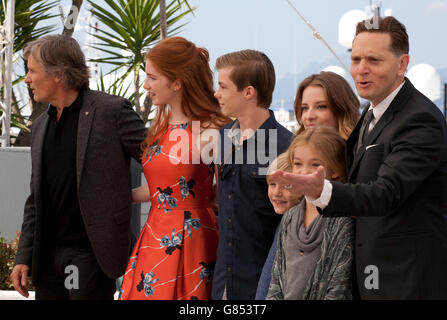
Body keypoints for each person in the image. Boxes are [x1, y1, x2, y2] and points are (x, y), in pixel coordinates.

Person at [272, 16, 447, 299]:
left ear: (402, 64)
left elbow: (385, 193)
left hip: (406, 280)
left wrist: (321, 190)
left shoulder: (420, 119)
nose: (361, 70)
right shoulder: (371, 113)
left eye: (374, 60)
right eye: (355, 60)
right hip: (371, 279)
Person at [10, 35, 147, 300]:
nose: (27, 79)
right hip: (47, 257)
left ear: (58, 74)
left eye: (32, 71)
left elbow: (160, 162)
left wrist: (127, 196)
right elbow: (35, 200)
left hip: (92, 254)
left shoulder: (112, 111)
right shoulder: (39, 127)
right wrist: (23, 256)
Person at [119, 37, 230, 300]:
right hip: (154, 236)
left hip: (196, 243)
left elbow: (228, 191)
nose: (146, 85)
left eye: (152, 78)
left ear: (177, 82)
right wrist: (118, 197)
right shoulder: (161, 126)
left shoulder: (212, 129)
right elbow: (161, 190)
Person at [212, 49, 293, 300]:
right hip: (223, 284)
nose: (217, 94)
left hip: (264, 285)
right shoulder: (223, 137)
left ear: (248, 92)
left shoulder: (286, 147)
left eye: (223, 87)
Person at [266, 126, 354, 300]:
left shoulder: (342, 219)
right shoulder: (290, 217)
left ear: (335, 170)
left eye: (315, 165)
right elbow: (276, 279)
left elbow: (339, 287)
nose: (303, 172)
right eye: (298, 164)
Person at [255, 153, 301, 300]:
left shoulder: (295, 224)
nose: (276, 193)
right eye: (272, 184)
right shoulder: (284, 223)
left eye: (286, 186)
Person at [294, 71, 360, 140]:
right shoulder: (293, 150)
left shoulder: (363, 149)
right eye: (305, 108)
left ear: (342, 109)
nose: (309, 116)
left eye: (321, 107)